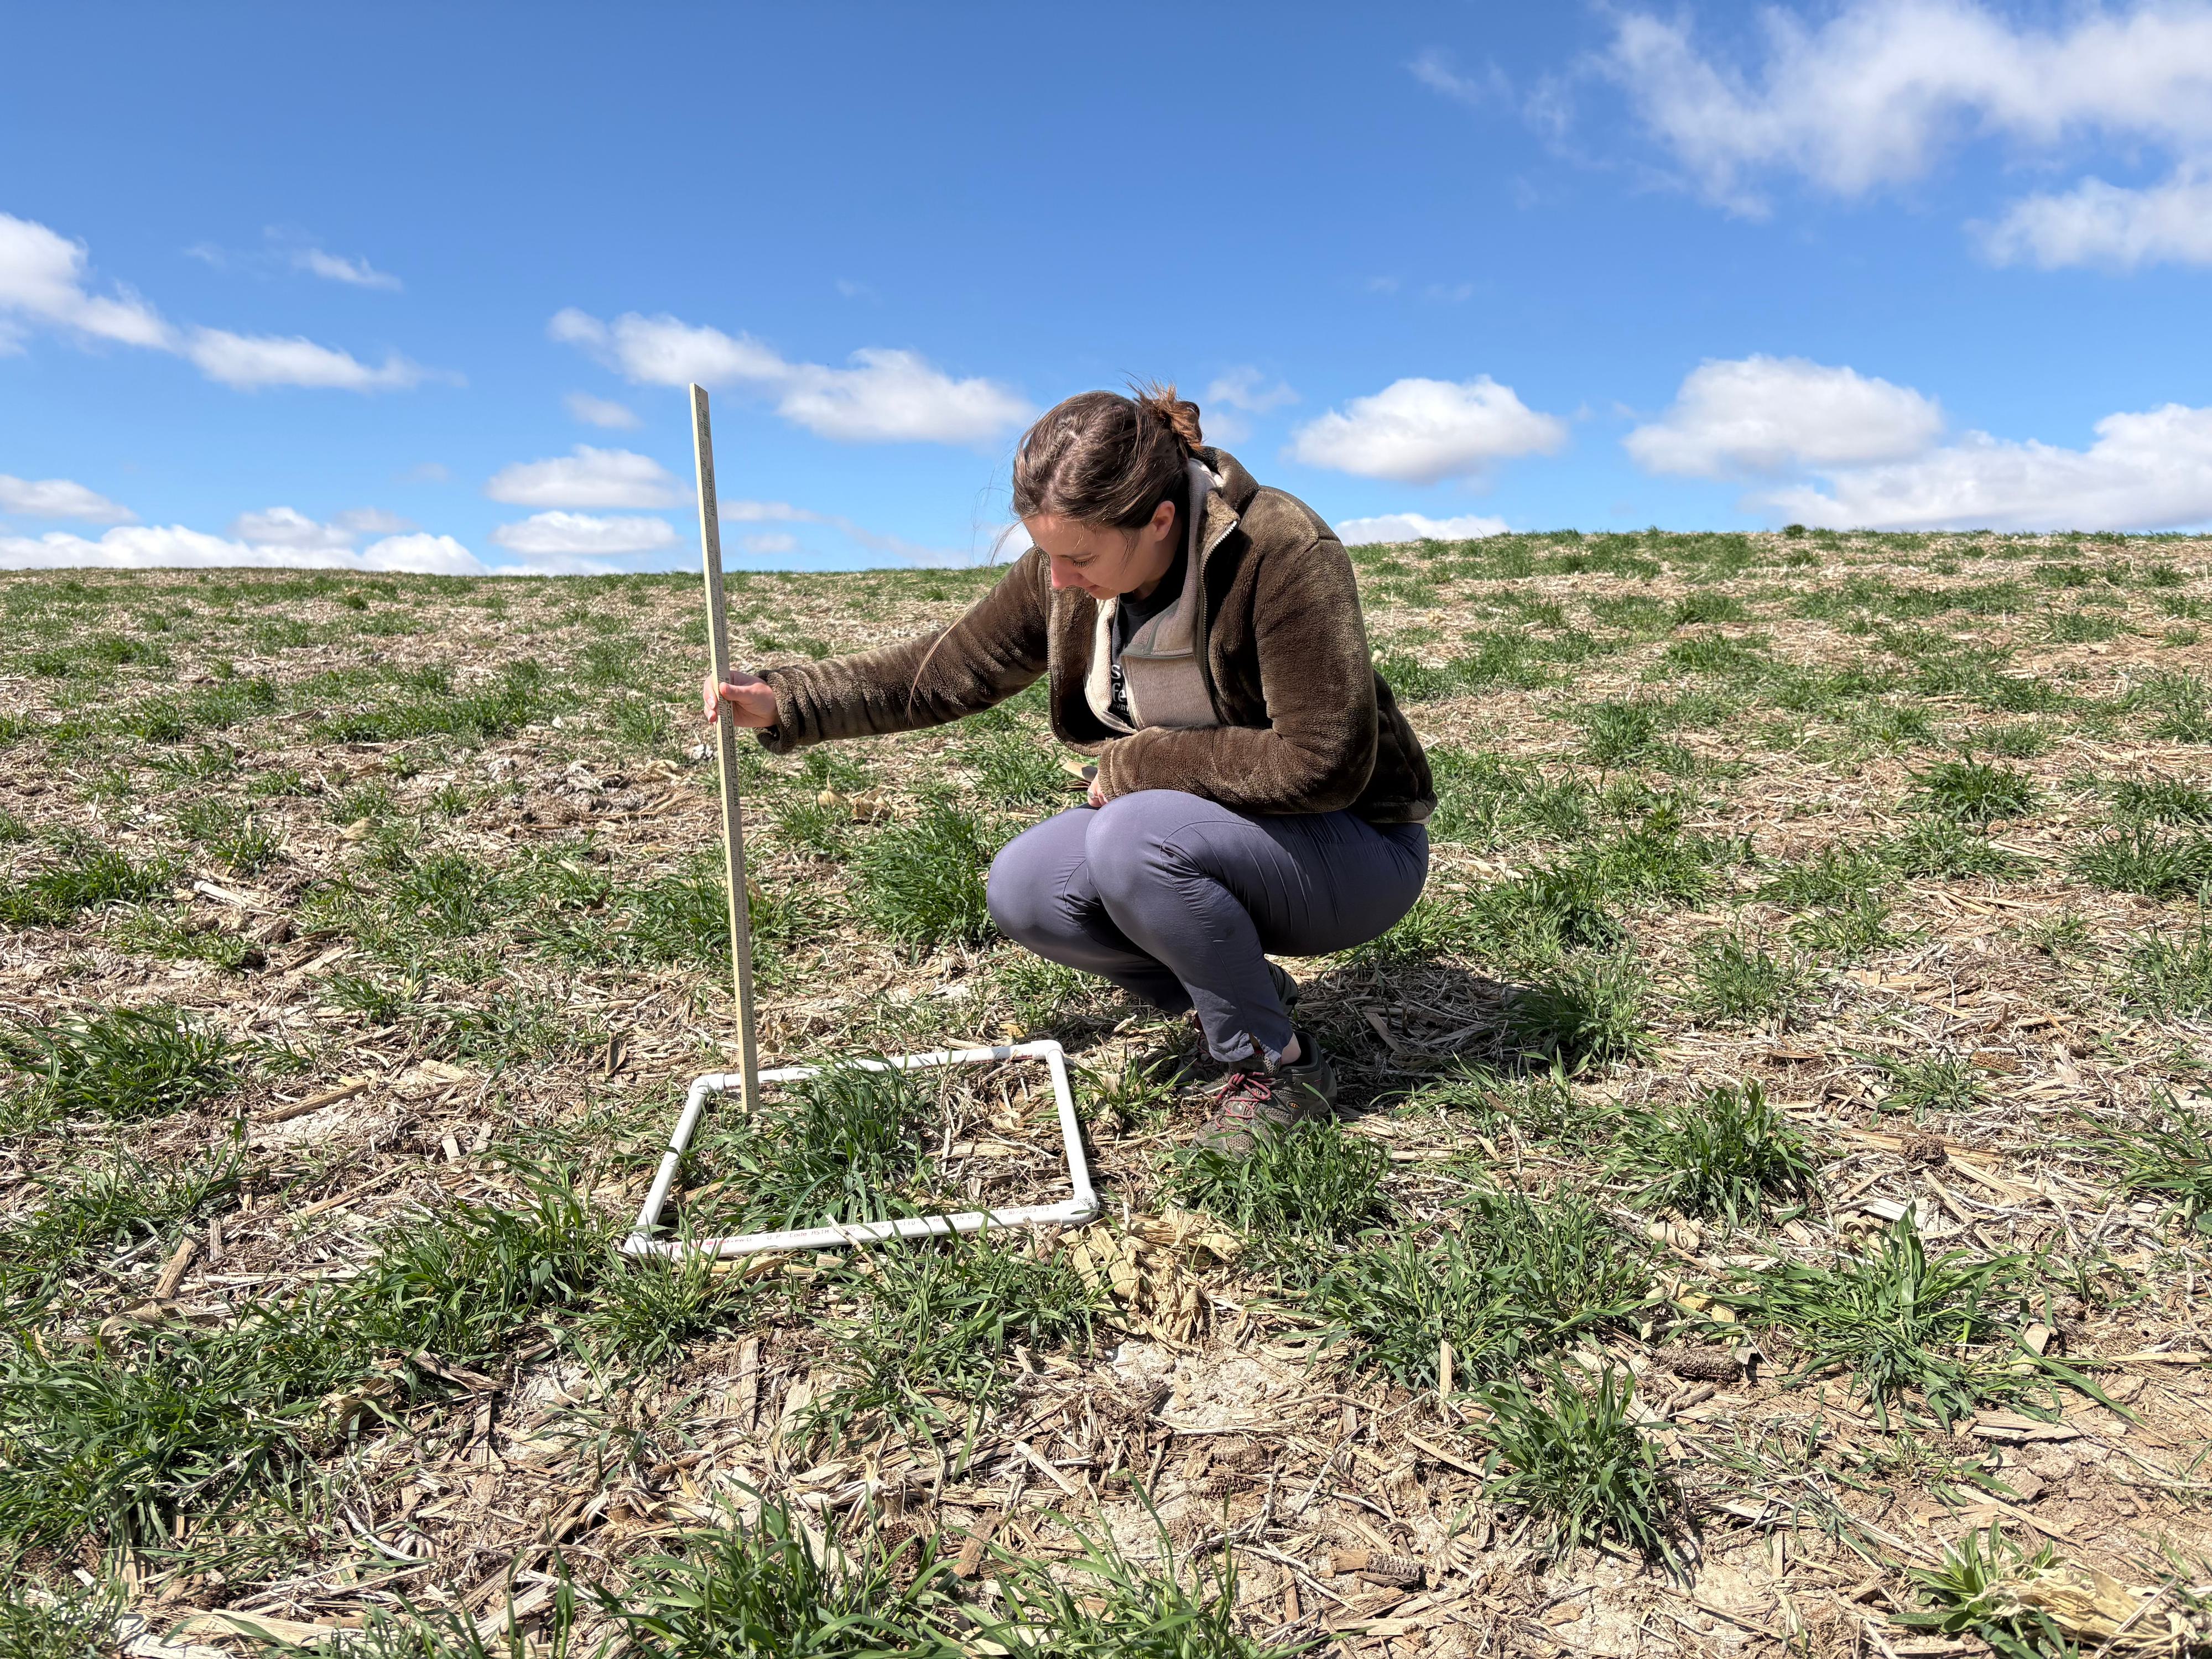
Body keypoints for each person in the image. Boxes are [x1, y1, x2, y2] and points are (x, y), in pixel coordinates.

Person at [704, 384, 1434, 1152]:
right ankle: (1235, 991)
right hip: (1206, 835)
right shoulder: (1069, 572)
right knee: (1028, 889)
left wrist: (1138, 763)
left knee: (1130, 838)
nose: (1057, 579)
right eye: (1045, 552)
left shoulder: (1278, 548)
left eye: (1077, 557)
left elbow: (1325, 759)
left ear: (1160, 521)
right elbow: (945, 671)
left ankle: (1273, 1067)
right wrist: (786, 701)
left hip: (1354, 848)